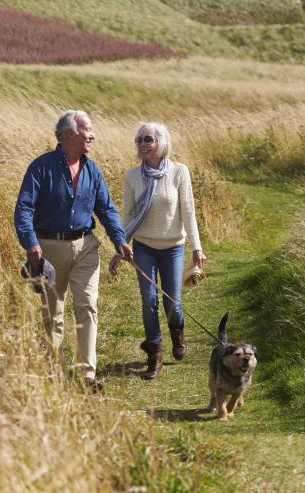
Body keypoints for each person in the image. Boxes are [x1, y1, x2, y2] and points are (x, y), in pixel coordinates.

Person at [14, 110, 133, 391]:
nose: (92, 135)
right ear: (70, 134)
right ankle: (49, 373)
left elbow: (105, 208)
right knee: (53, 313)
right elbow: (24, 209)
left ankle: (87, 375)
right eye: (87, 130)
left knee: (87, 306)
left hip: (86, 246)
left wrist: (120, 240)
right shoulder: (40, 167)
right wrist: (30, 242)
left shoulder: (92, 170)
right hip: (47, 249)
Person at [109, 122, 206, 380]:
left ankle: (178, 333)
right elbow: (127, 216)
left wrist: (197, 247)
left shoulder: (179, 172)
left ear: (160, 142)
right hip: (143, 247)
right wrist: (121, 246)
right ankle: (155, 355)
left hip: (173, 247)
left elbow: (188, 212)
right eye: (139, 139)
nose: (142, 144)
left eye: (147, 139)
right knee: (149, 300)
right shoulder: (132, 176)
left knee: (172, 301)